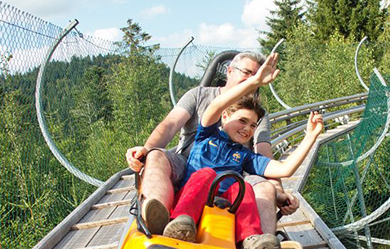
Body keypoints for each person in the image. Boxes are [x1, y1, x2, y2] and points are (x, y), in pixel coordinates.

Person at [160, 59, 323, 249]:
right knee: (206, 174)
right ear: (225, 117)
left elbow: (285, 169)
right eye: (243, 121)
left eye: (253, 126)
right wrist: (254, 82)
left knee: (243, 186)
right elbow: (217, 105)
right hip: (196, 197)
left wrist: (311, 136)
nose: (247, 129)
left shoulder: (245, 156)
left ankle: (252, 241)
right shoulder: (206, 135)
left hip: (227, 205)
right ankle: (181, 222)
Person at [126, 51, 298, 235]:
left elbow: (264, 154)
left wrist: (278, 191)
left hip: (233, 171)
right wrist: (146, 149)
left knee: (264, 187)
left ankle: (263, 244)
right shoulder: (199, 95)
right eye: (247, 73)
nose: (254, 79)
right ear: (230, 71)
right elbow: (169, 125)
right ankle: (156, 218)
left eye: (257, 75)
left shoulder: (257, 115)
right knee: (156, 156)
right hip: (189, 162)